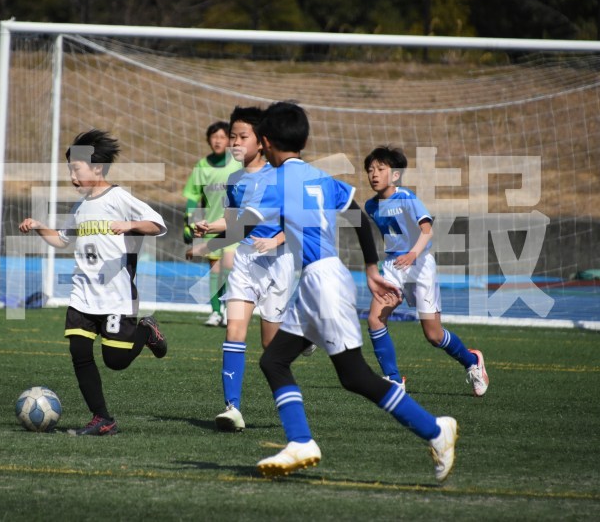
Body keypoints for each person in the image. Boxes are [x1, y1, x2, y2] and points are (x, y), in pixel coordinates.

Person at [202, 102, 458, 482]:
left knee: (355, 376)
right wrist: (370, 268)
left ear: (266, 141)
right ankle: (300, 441)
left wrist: (211, 231)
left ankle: (435, 429)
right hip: (319, 279)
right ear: (303, 141)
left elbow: (248, 221)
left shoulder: (275, 181)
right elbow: (356, 213)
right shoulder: (319, 177)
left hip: (322, 282)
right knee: (273, 361)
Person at [18, 129, 168, 436]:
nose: (72, 177)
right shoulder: (80, 207)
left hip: (116, 296)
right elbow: (61, 240)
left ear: (97, 168)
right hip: (82, 294)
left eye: (76, 169)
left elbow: (157, 224)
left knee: (116, 361)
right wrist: (39, 226)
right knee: (79, 352)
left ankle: (146, 330)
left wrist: (129, 224)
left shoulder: (119, 198)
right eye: (70, 170)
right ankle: (102, 418)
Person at [187, 106, 306, 433]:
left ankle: (300, 337)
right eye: (233, 137)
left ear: (262, 141)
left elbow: (295, 222)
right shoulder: (235, 179)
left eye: (243, 137)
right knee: (234, 330)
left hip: (278, 262)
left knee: (271, 345)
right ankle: (232, 408)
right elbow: (234, 223)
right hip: (244, 261)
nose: (235, 143)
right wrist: (208, 235)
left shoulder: (280, 177)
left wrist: (277, 240)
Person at [363, 145, 489, 396]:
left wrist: (413, 253)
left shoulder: (407, 198)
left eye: (380, 168)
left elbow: (427, 230)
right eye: (370, 169)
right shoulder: (370, 206)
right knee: (375, 318)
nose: (374, 174)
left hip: (419, 265)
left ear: (395, 174)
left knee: (433, 335)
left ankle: (473, 361)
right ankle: (394, 379)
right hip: (393, 267)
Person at [182, 121, 242, 326]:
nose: (217, 141)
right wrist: (189, 222)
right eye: (214, 137)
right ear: (208, 140)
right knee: (215, 270)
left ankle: (230, 309)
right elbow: (192, 196)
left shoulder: (238, 163)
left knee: (229, 265)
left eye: (222, 137)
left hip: (234, 225)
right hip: (211, 225)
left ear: (229, 140)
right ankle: (216, 312)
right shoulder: (202, 166)